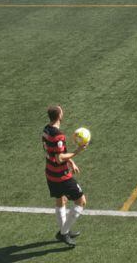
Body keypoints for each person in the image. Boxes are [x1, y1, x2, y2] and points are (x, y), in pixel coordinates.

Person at [42, 105, 89, 247]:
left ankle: (64, 231)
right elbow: (59, 158)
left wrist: (71, 162)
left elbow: (53, 152)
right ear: (59, 116)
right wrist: (77, 151)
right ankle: (63, 232)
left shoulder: (46, 130)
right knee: (81, 201)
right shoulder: (58, 136)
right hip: (61, 176)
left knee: (60, 200)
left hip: (50, 173)